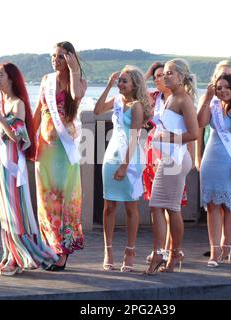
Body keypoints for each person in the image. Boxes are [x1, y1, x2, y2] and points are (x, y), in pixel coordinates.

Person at [0, 62, 59, 276]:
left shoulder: (18, 104)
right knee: (5, 211)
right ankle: (10, 254)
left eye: (0, 75)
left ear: (11, 78)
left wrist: (1, 119)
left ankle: (20, 257)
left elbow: (19, 137)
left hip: (12, 164)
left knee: (15, 210)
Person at [33, 41, 87, 271]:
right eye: (53, 56)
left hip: (64, 150)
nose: (55, 60)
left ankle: (62, 252)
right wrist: (27, 138)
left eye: (61, 57)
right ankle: (49, 247)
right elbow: (37, 110)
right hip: (45, 148)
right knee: (45, 201)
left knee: (63, 198)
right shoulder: (46, 80)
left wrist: (74, 71)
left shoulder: (79, 81)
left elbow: (76, 95)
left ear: (71, 58)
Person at [144, 58, 199, 274]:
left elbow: (194, 134)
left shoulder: (183, 99)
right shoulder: (170, 98)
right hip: (168, 159)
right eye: (164, 73)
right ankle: (168, 253)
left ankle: (167, 254)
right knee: (162, 207)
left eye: (170, 73)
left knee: (167, 207)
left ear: (181, 76)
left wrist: (167, 138)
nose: (165, 76)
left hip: (176, 159)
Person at [94, 65, 150, 272]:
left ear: (135, 84)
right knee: (109, 206)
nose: (121, 84)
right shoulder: (117, 101)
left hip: (130, 159)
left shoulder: (136, 106)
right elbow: (97, 110)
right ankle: (108, 250)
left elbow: (134, 138)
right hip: (111, 156)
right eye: (120, 80)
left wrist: (125, 166)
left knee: (130, 207)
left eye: (124, 81)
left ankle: (130, 250)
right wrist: (108, 86)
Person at [198, 74, 231, 267]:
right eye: (219, 87)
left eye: (226, 87)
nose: (222, 91)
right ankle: (214, 250)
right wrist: (205, 98)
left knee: (229, 205)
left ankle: (226, 245)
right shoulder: (213, 105)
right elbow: (200, 123)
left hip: (230, 161)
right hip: (211, 158)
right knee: (212, 205)